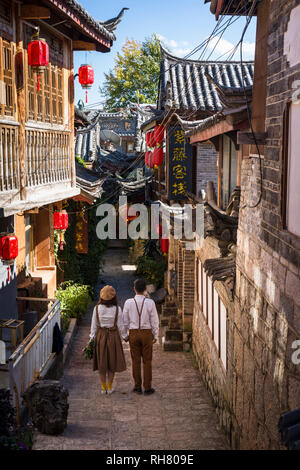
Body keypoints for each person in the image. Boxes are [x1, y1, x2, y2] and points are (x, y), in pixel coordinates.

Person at [123, 278, 159, 395]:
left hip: (133, 333)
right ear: (145, 290)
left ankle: (137, 386)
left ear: (134, 289)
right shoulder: (150, 303)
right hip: (146, 333)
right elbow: (155, 321)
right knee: (147, 361)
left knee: (135, 361)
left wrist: (125, 335)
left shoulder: (128, 303)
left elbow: (124, 321)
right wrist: (155, 334)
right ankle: (147, 387)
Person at [90, 285, 127, 395]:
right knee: (112, 362)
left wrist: (92, 339)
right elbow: (120, 326)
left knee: (102, 362)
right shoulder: (117, 309)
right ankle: (110, 387)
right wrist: (125, 336)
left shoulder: (96, 309)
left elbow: (94, 326)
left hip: (101, 336)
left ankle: (103, 387)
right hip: (113, 336)